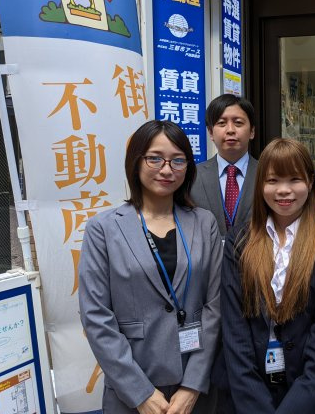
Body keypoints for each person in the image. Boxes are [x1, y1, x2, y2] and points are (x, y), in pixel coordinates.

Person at [79, 120, 222, 414]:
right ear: (136, 161)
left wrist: (192, 386)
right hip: (131, 390)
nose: (167, 169)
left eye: (177, 160)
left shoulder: (204, 222)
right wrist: (141, 393)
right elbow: (96, 315)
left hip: (194, 386)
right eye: (155, 158)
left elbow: (215, 306)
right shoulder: (103, 229)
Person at [221, 138, 315, 413]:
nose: (283, 190)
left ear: (311, 182)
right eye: (273, 180)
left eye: (294, 179)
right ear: (260, 185)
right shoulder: (239, 240)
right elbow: (234, 331)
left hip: (313, 395)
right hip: (248, 395)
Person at [190, 94, 257, 236]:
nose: (230, 130)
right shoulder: (192, 176)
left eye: (238, 123)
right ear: (210, 132)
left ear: (252, 131)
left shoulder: (268, 174)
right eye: (221, 123)